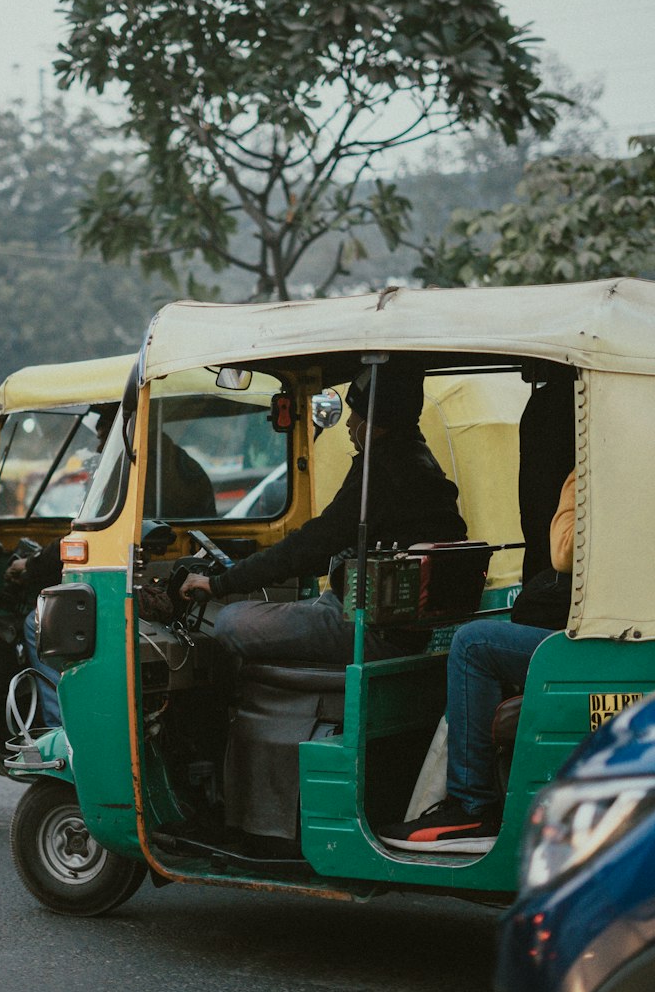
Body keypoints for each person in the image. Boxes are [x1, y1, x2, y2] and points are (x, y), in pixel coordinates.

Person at [179, 360, 467, 667]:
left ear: (371, 422)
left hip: (369, 630)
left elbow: (315, 542)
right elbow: (318, 550)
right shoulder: (420, 461)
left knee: (232, 621)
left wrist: (219, 584)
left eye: (353, 414)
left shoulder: (382, 472)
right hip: (379, 622)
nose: (346, 424)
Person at [379, 470, 575, 852]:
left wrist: (579, 478)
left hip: (611, 643)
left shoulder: (607, 467)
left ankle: (472, 806)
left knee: (473, 643)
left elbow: (564, 550)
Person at [6, 404, 118, 728]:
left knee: (38, 622)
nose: (98, 447)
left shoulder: (123, 469)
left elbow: (82, 535)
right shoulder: (164, 460)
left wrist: (30, 564)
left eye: (102, 437)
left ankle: (62, 729)